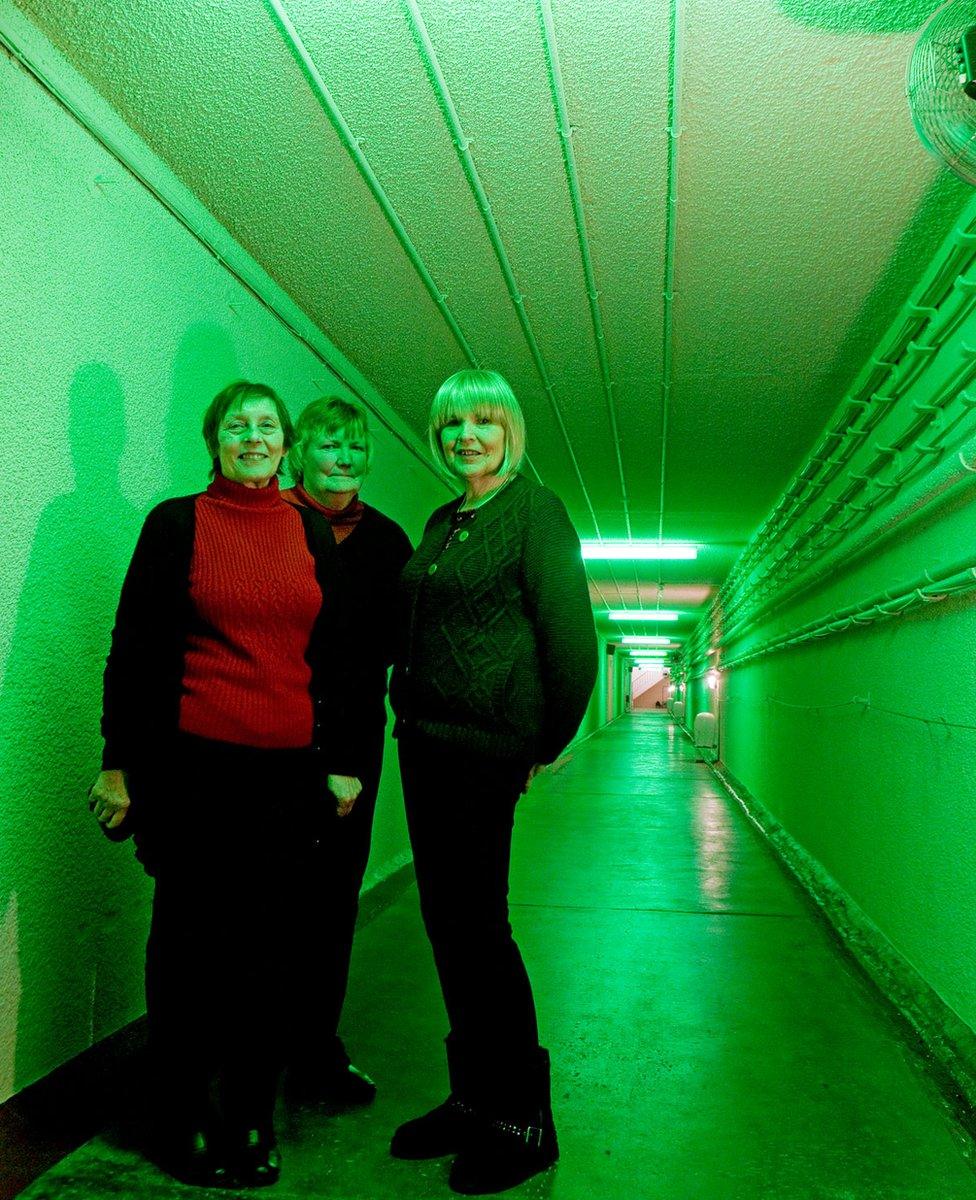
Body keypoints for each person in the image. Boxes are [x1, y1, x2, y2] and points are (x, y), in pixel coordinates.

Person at [87, 380, 364, 1189]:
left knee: (272, 955)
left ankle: (250, 1112)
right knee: (187, 951)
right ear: (215, 441)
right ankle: (179, 1117)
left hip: (287, 780)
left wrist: (343, 755)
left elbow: (341, 659)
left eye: (267, 425)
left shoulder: (311, 533)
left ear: (286, 445)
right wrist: (117, 761)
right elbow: (133, 651)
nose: (253, 436)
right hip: (194, 775)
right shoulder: (177, 524)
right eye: (236, 425)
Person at [389, 368, 597, 1194]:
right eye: (450, 425)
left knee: (480, 929)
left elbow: (570, 640)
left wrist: (539, 744)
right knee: (446, 925)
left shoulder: (535, 512)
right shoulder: (445, 521)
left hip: (482, 752)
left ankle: (522, 1121)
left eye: (482, 421)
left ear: (510, 429)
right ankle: (472, 1099)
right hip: (424, 744)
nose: (465, 436)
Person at [280, 395, 412, 1103]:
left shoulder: (388, 542)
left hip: (352, 744)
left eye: (357, 448)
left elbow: (400, 647)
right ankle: (245, 1047)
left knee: (332, 902)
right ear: (300, 450)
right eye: (331, 445)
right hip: (266, 739)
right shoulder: (267, 524)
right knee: (260, 898)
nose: (345, 459)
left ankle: (314, 1052)